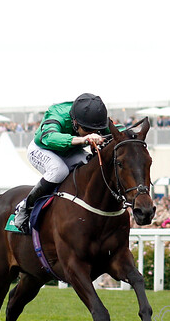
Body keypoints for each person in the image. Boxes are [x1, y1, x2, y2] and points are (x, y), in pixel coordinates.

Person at [13, 93, 111, 233]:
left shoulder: (94, 116)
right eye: (88, 130)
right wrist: (84, 139)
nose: (93, 133)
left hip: (69, 151)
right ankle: (24, 207)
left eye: (95, 130)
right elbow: (50, 137)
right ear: (75, 122)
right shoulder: (57, 113)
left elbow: (117, 130)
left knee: (91, 166)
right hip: (43, 148)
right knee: (59, 170)